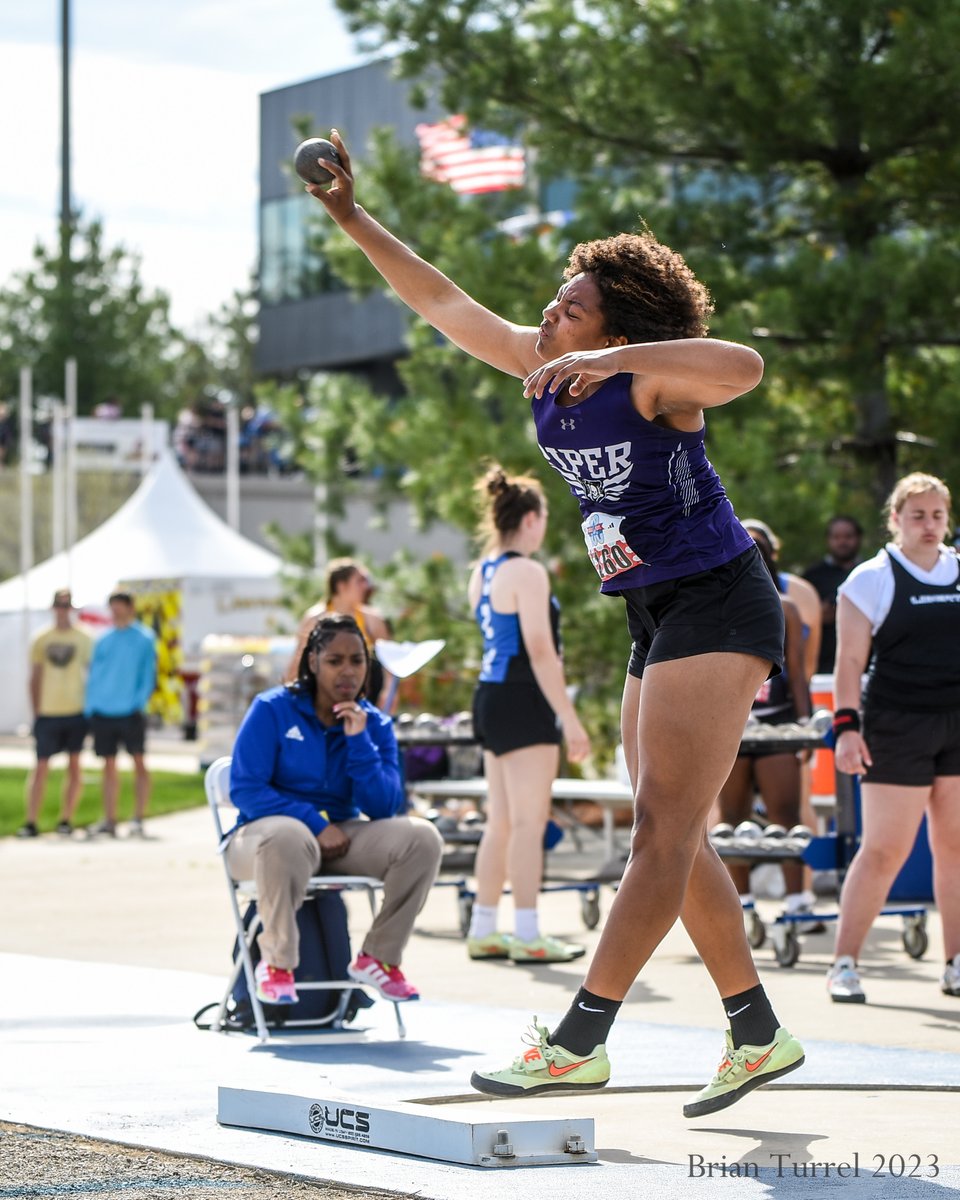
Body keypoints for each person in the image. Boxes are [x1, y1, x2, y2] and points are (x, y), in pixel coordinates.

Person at [305, 130, 804, 1117]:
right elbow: (442, 302)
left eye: (572, 304)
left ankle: (580, 1038)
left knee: (662, 828)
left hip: (721, 598)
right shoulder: (539, 364)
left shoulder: (650, 380)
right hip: (653, 614)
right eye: (556, 298)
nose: (550, 309)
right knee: (678, 832)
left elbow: (743, 365)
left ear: (613, 328)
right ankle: (756, 1029)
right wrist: (350, 216)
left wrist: (618, 355)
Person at [226, 612, 443, 1005]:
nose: (348, 671)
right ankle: (276, 963)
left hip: (338, 843)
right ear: (313, 663)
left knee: (421, 838)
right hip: (261, 842)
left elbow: (384, 807)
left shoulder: (374, 723)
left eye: (357, 660)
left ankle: (379, 958)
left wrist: (359, 743)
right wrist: (312, 822)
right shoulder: (272, 709)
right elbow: (245, 789)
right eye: (335, 661)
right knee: (287, 835)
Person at [827, 473, 960, 1003]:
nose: (929, 526)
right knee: (884, 849)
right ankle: (844, 963)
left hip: (956, 722)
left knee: (954, 848)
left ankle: (954, 963)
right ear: (895, 520)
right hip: (896, 725)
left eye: (937, 516)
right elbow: (849, 663)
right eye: (918, 516)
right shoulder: (869, 579)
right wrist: (845, 729)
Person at [466, 464, 591, 963]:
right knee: (528, 823)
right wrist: (570, 718)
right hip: (523, 699)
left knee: (500, 822)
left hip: (490, 697)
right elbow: (542, 651)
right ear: (532, 519)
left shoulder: (484, 569)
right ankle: (527, 932)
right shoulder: (528, 571)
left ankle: (483, 927)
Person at [717, 528, 813, 922]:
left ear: (771, 557)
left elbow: (798, 672)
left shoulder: (786, 606)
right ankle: (741, 904)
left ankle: (796, 902)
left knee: (786, 813)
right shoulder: (715, 605)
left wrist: (805, 727)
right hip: (731, 728)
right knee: (732, 821)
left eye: (759, 548)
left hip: (778, 727)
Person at [17, 590, 93, 838]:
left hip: (75, 710)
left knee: (74, 766)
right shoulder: (41, 638)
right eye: (59, 605)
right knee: (40, 767)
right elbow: (34, 676)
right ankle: (31, 821)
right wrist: (36, 711)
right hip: (48, 712)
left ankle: (66, 819)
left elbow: (92, 674)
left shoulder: (84, 638)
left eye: (67, 606)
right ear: (53, 608)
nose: (63, 610)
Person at [84, 592, 157, 838]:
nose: (115, 612)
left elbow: (148, 674)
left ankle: (138, 818)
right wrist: (91, 705)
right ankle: (110, 819)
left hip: (131, 711)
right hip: (103, 710)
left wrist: (139, 702)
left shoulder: (144, 638)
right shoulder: (103, 639)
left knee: (138, 762)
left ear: (130, 608)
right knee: (108, 765)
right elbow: (95, 675)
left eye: (119, 607)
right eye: (112, 608)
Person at [289, 558, 393, 708]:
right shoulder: (314, 618)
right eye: (360, 581)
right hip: (322, 701)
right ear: (341, 585)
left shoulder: (372, 619)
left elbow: (390, 661)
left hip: (364, 699)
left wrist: (389, 692)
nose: (366, 586)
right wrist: (289, 697)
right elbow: (298, 661)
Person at [742, 520, 821, 685]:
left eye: (760, 548)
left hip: (784, 696)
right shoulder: (720, 594)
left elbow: (808, 664)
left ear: (772, 553)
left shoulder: (801, 596)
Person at [803, 515, 864, 677]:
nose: (842, 542)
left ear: (858, 538)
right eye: (836, 537)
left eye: (848, 536)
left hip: (866, 665)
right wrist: (818, 616)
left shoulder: (870, 575)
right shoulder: (812, 576)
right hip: (823, 667)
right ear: (828, 540)